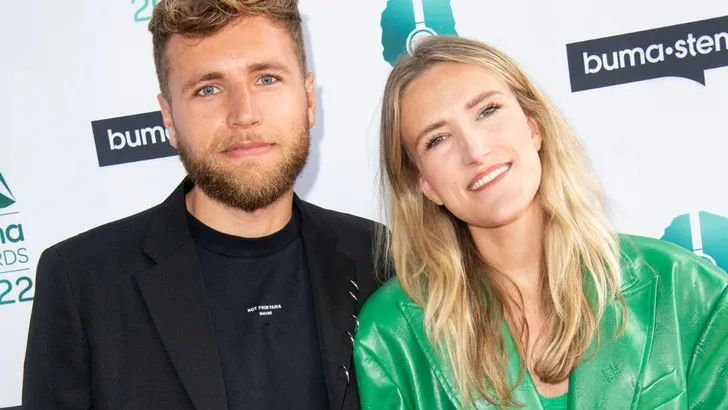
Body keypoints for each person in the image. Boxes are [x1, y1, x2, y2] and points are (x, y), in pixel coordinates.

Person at [22, 1, 381, 409]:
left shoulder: (377, 256)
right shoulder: (82, 284)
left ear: (309, 98)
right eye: (208, 89)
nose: (244, 114)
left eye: (266, 79)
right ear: (169, 118)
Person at [353, 35, 728, 410]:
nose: (475, 150)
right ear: (425, 185)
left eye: (487, 110)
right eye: (437, 139)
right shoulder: (390, 336)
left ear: (533, 126)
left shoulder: (687, 288)